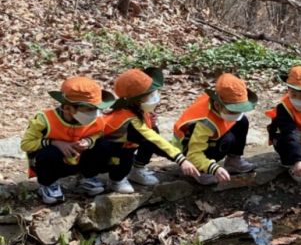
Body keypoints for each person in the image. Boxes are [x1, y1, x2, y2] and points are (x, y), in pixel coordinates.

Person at [89, 68, 199, 193]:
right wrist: (180, 159)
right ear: (136, 100)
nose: (156, 97)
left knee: (152, 132)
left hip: (128, 145)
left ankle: (137, 169)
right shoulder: (128, 118)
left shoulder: (139, 111)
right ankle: (116, 180)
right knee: (126, 158)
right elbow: (154, 139)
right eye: (150, 95)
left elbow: (152, 134)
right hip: (111, 151)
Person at [20, 76, 114, 204]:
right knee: (49, 153)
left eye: (96, 108)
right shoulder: (44, 120)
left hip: (79, 160)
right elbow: (26, 144)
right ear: (67, 108)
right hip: (55, 163)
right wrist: (54, 143)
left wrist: (88, 141)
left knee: (105, 144)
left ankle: (88, 177)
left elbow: (98, 134)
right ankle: (49, 184)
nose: (94, 113)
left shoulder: (95, 119)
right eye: (89, 109)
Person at [173, 73, 258, 185]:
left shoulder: (221, 107)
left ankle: (233, 160)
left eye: (240, 110)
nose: (237, 114)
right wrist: (213, 168)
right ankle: (200, 170)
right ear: (217, 105)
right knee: (227, 139)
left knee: (242, 121)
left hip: (208, 140)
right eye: (233, 111)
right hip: (189, 150)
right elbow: (193, 154)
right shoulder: (205, 123)